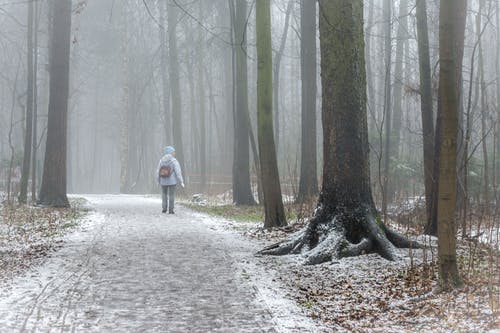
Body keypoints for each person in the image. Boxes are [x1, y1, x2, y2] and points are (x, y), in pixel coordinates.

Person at [157, 146, 184, 214]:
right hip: (172, 181)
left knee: (164, 195)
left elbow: (158, 171)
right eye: (173, 152)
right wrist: (181, 181)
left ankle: (164, 209)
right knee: (171, 195)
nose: (174, 153)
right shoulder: (174, 161)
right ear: (170, 152)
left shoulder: (161, 160)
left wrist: (158, 180)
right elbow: (178, 171)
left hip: (163, 181)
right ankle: (171, 210)